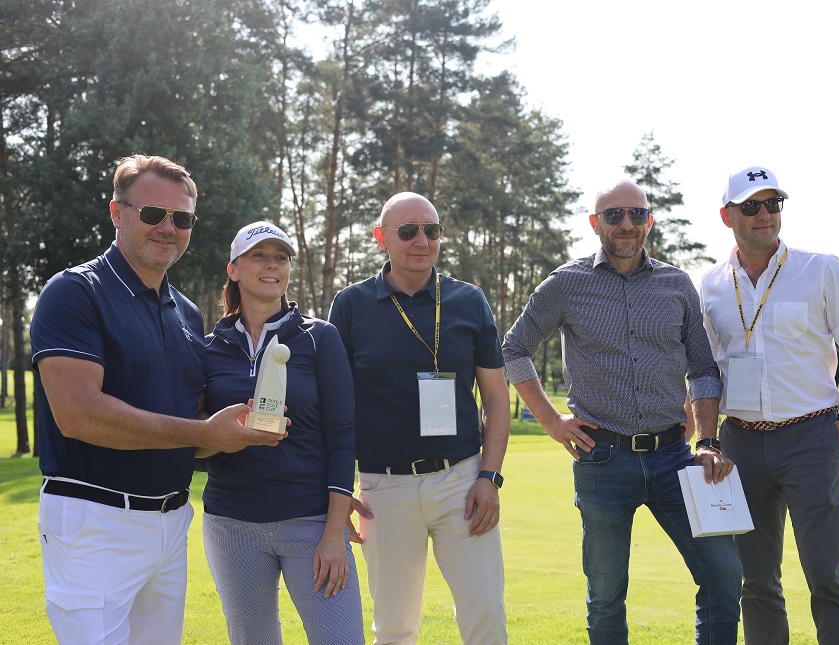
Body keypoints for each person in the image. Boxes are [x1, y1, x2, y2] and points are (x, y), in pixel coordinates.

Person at [30, 155, 285, 645]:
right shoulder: (74, 292)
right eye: (153, 214)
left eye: (182, 219)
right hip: (95, 522)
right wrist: (204, 432)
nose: (168, 228)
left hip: (170, 524)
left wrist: (234, 433)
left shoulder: (185, 312)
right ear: (117, 213)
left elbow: (191, 430)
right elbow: (78, 415)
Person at [502, 178, 743, 645]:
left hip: (675, 459)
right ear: (596, 223)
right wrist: (551, 421)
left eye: (637, 214)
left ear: (649, 221)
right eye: (614, 215)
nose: (627, 224)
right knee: (606, 596)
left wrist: (708, 441)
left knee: (723, 574)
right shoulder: (566, 284)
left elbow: (702, 368)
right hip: (602, 462)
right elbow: (514, 348)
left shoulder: (677, 285)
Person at [700, 166, 839, 645]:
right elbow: (704, 371)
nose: (765, 214)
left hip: (811, 437)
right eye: (751, 205)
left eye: (773, 203)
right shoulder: (710, 284)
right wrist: (706, 438)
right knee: (755, 581)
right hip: (740, 444)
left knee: (829, 575)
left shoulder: (821, 269)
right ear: (727, 216)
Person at [329, 192, 510, 645]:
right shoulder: (350, 305)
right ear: (381, 238)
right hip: (383, 489)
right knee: (394, 627)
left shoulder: (469, 300)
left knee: (486, 615)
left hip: (462, 482)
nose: (422, 241)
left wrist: (489, 477)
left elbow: (495, 397)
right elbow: (335, 408)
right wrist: (337, 491)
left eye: (432, 230)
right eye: (408, 231)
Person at [199, 221, 364, 644]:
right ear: (233, 269)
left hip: (311, 523)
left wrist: (333, 532)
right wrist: (219, 436)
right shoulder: (208, 347)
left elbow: (343, 435)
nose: (272, 265)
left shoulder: (320, 337)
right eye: (259, 256)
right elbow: (193, 439)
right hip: (232, 525)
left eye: (281, 258)